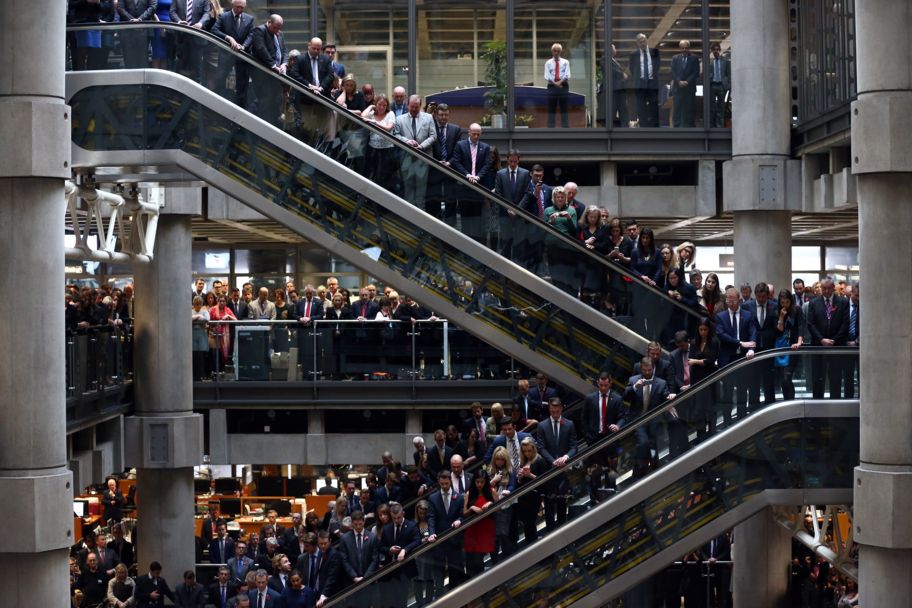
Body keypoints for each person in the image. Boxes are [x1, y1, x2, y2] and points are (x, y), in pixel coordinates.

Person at [715, 287, 757, 424]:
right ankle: (727, 422)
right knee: (727, 392)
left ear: (739, 299)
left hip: (743, 358)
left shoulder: (748, 315)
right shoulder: (720, 317)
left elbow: (753, 332)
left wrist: (752, 347)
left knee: (742, 391)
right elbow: (722, 335)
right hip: (727, 360)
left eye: (733, 300)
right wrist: (740, 343)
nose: (731, 303)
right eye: (729, 300)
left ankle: (742, 420)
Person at [535, 397, 578, 530]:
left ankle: (562, 535)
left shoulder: (569, 424)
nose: (555, 414)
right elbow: (541, 447)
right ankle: (550, 536)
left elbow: (574, 447)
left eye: (557, 411)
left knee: (561, 506)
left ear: (561, 409)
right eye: (552, 411)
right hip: (549, 471)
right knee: (548, 507)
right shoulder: (542, 426)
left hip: (564, 471)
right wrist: (553, 461)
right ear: (549, 409)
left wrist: (565, 457)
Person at [624, 356, 670, 477]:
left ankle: (653, 468)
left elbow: (666, 395)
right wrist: (635, 387)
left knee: (653, 445)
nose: (647, 372)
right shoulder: (633, 380)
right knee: (643, 443)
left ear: (653, 368)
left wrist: (670, 396)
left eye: (649, 370)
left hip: (654, 420)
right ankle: (640, 466)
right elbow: (625, 397)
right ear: (641, 369)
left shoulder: (661, 383)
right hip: (638, 419)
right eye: (645, 370)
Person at [806, 277, 849, 399]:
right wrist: (821, 339)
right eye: (823, 288)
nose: (826, 291)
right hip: (818, 346)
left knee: (835, 377)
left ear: (833, 288)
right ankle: (817, 406)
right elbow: (811, 324)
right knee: (818, 378)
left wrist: (834, 340)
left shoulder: (842, 302)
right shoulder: (814, 303)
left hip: (837, 346)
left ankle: (836, 405)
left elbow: (845, 324)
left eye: (828, 288)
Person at [449, 122, 492, 242]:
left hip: (478, 188)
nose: (476, 137)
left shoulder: (485, 147)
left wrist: (478, 176)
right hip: (464, 187)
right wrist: (467, 175)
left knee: (478, 219)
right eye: (474, 134)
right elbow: (456, 162)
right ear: (468, 132)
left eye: (478, 134)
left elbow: (487, 165)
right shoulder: (460, 145)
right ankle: (466, 246)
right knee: (465, 220)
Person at [394, 95, 437, 211]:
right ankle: (409, 220)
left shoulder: (428, 118)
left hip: (423, 159)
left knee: (421, 192)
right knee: (408, 190)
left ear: (420, 106)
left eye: (416, 107)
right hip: (406, 159)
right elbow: (396, 135)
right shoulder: (399, 119)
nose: (414, 109)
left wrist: (421, 146)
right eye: (412, 107)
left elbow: (433, 136)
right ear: (407, 105)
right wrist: (407, 141)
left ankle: (420, 221)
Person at [426, 470, 465, 595]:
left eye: (446, 484)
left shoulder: (458, 497)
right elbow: (431, 517)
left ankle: (454, 598)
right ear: (439, 482)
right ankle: (440, 599)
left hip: (454, 540)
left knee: (455, 571)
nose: (444, 486)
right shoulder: (433, 498)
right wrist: (431, 533)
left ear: (450, 482)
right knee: (439, 572)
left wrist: (459, 520)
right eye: (442, 484)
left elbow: (462, 515)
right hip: (440, 541)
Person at [211, 0, 256, 107]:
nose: (240, 10)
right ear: (233, 5)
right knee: (220, 80)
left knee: (242, 85)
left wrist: (244, 46)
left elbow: (251, 35)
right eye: (237, 7)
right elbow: (214, 30)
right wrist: (228, 38)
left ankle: (241, 109)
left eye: (242, 8)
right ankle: (218, 106)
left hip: (242, 55)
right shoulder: (224, 17)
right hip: (226, 54)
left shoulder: (249, 19)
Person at [378, 502, 422, 608]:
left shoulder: (411, 526)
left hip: (405, 568)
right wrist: (389, 549)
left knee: (402, 599)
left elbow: (417, 541)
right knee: (391, 599)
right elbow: (381, 547)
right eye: (394, 518)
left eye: (398, 517)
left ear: (403, 513)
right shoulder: (387, 529)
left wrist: (405, 550)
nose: (396, 521)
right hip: (390, 569)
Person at [493, 149, 531, 258]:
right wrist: (507, 209)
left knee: (519, 245)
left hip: (520, 216)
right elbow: (498, 194)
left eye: (515, 161)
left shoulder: (525, 173)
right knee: (505, 245)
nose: (513, 164)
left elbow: (527, 194)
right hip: (505, 215)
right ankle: (505, 273)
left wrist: (517, 210)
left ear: (519, 160)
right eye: (511, 161)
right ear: (507, 160)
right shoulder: (500, 174)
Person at [250, 15, 288, 123]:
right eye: (275, 27)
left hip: (276, 75)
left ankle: (272, 123)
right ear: (269, 22)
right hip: (263, 73)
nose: (277, 30)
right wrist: (273, 65)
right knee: (264, 101)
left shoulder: (280, 34)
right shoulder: (260, 30)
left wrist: (284, 64)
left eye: (279, 28)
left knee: (276, 100)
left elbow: (284, 51)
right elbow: (261, 49)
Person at [688, 317, 720, 440]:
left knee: (710, 407)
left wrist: (697, 361)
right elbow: (690, 360)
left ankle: (712, 433)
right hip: (697, 378)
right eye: (700, 329)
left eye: (705, 329)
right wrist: (700, 362)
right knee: (699, 407)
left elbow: (711, 360)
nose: (703, 332)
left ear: (709, 329)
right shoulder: (694, 342)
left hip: (710, 377)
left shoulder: (714, 342)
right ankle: (700, 434)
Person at [544, 186, 579, 295]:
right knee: (555, 273)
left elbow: (574, 232)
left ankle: (569, 296)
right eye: (557, 197)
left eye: (562, 197)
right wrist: (550, 221)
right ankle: (557, 295)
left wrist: (569, 218)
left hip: (567, 246)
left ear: (565, 198)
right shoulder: (548, 210)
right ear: (554, 198)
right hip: (552, 247)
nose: (560, 199)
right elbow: (542, 230)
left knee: (568, 272)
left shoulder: (571, 210)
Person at [462, 469, 496, 576]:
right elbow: (465, 514)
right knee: (472, 562)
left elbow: (499, 508)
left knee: (480, 561)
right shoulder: (469, 493)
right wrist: (472, 507)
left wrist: (490, 503)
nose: (479, 484)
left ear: (485, 481)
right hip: (473, 531)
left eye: (482, 482)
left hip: (487, 530)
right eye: (477, 482)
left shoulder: (491, 491)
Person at [486, 446, 517, 560]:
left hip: (505, 506)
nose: (499, 462)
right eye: (497, 459)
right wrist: (494, 480)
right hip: (492, 507)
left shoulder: (510, 470)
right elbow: (483, 488)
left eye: (502, 459)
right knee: (493, 537)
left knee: (504, 534)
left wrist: (508, 490)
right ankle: (494, 561)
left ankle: (506, 559)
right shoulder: (489, 471)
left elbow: (513, 485)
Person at [515, 437, 548, 544]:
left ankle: (532, 543)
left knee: (530, 522)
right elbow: (520, 482)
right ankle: (531, 543)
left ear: (533, 449)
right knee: (527, 524)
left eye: (529, 451)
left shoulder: (540, 460)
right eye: (524, 451)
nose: (527, 453)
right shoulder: (523, 461)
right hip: (523, 497)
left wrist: (529, 475)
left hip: (534, 496)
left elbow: (544, 480)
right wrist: (520, 477)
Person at [362, 94, 398, 192]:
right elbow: (362, 116)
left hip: (387, 150)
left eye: (384, 105)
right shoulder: (372, 113)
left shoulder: (390, 113)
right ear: (376, 104)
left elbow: (388, 128)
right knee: (372, 175)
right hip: (373, 149)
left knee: (385, 177)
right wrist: (370, 106)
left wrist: (374, 123)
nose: (381, 107)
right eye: (379, 104)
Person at [170, 0, 212, 82]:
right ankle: (179, 91)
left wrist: (201, 23)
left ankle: (195, 91)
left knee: (196, 67)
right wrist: (178, 21)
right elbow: (172, 12)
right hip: (181, 37)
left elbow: (207, 14)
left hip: (197, 37)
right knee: (180, 66)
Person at [629, 33, 661, 127]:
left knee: (654, 107)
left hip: (652, 83)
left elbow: (657, 66)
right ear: (637, 43)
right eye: (640, 42)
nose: (642, 43)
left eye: (644, 41)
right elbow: (632, 69)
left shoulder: (655, 52)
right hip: (640, 84)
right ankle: (643, 128)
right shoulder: (633, 54)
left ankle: (655, 128)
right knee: (641, 108)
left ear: (646, 41)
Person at [670, 40, 700, 127]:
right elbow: (673, 72)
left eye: (686, 48)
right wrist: (679, 81)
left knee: (689, 109)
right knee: (677, 109)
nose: (684, 49)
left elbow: (696, 72)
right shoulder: (675, 58)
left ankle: (689, 128)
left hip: (689, 88)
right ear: (680, 49)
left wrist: (687, 81)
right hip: (678, 88)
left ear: (689, 48)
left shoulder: (694, 58)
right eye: (682, 48)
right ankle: (676, 128)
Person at [544, 43, 571, 128]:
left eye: (558, 51)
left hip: (563, 86)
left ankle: (565, 129)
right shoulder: (548, 63)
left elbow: (567, 75)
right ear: (552, 51)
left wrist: (559, 83)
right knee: (551, 108)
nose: (556, 53)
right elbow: (547, 76)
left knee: (564, 108)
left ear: (560, 52)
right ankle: (551, 129)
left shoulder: (565, 62)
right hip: (552, 86)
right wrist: (555, 84)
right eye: (555, 51)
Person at [708, 42, 731, 128]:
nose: (716, 51)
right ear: (712, 51)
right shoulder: (710, 62)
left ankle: (720, 126)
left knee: (721, 107)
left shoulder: (725, 61)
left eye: (717, 49)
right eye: (714, 50)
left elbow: (728, 74)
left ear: (720, 50)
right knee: (712, 107)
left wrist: (728, 86)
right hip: (713, 86)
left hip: (722, 86)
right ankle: (712, 126)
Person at [608, 43, 630, 126]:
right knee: (614, 110)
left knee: (623, 109)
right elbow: (611, 70)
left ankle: (624, 127)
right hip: (614, 90)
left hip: (620, 89)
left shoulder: (614, 60)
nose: (615, 50)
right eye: (614, 48)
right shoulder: (605, 59)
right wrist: (622, 74)